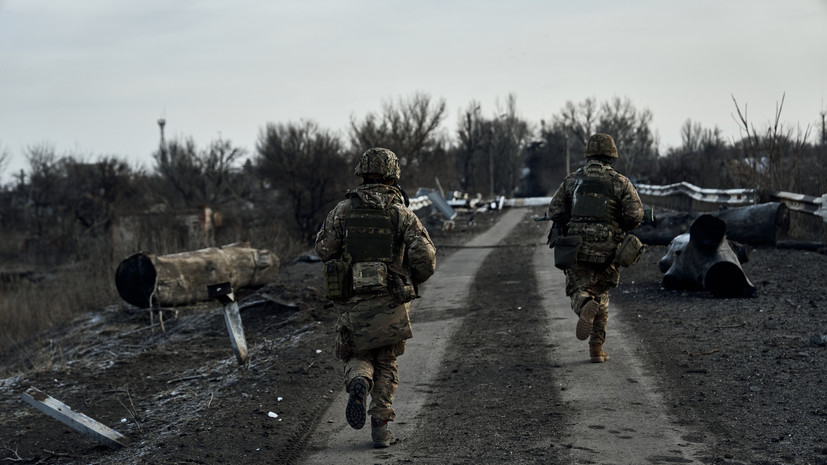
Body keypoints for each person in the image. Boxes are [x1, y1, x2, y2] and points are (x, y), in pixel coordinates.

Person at [314, 147, 436, 448]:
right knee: (386, 360)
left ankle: (359, 381)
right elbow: (426, 258)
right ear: (393, 174)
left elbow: (324, 250)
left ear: (362, 172)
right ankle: (381, 427)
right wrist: (410, 277)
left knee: (358, 354)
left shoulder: (343, 210)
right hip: (390, 298)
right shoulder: (400, 212)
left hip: (352, 298)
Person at [547, 133, 644, 363]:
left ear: (588, 154)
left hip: (576, 248)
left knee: (578, 289)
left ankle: (584, 305)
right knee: (602, 294)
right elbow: (635, 216)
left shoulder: (572, 180)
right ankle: (596, 350)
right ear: (612, 155)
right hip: (608, 250)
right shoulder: (620, 182)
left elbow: (555, 211)